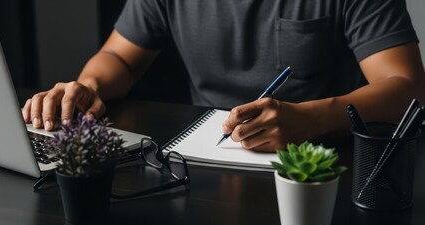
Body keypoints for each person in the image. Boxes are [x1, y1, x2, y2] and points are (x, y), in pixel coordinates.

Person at [22, 0, 425, 152]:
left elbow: (409, 89)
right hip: (200, 159)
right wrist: (88, 86)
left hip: (321, 167)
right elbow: (119, 57)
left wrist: (312, 118)